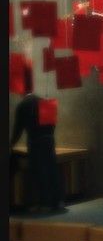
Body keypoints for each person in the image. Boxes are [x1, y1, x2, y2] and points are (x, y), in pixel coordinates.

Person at [10, 66, 65, 214]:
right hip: (49, 140)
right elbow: (52, 123)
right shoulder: (43, 100)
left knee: (39, 173)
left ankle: (44, 204)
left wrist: (10, 144)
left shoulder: (22, 106)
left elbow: (18, 129)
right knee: (52, 170)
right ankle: (58, 201)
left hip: (35, 142)